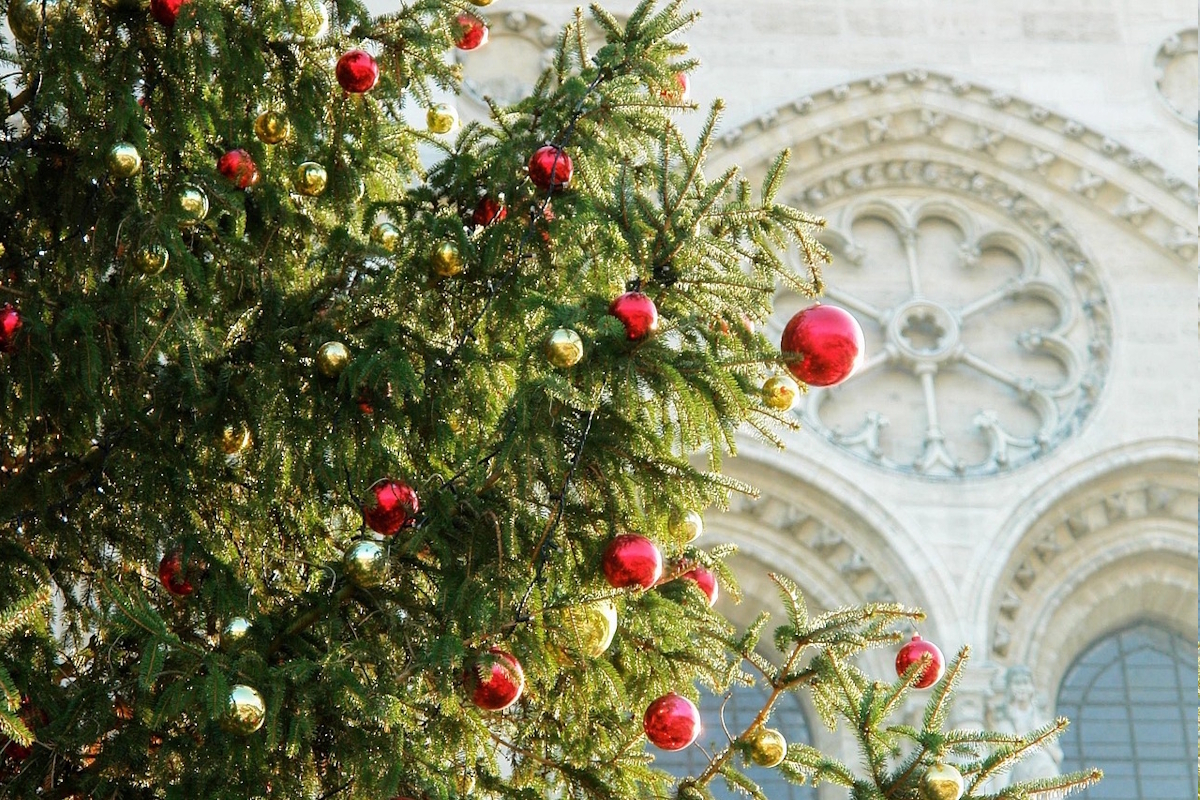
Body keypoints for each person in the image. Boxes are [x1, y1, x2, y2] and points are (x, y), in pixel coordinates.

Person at [987, 665, 1063, 788]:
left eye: (1025, 683)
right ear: (1009, 689)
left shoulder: (1041, 720)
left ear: (1032, 688)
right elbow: (1002, 756)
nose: (1022, 688)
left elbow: (1057, 755)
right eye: (1017, 684)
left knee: (1048, 770)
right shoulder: (1003, 719)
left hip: (1043, 767)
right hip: (1018, 770)